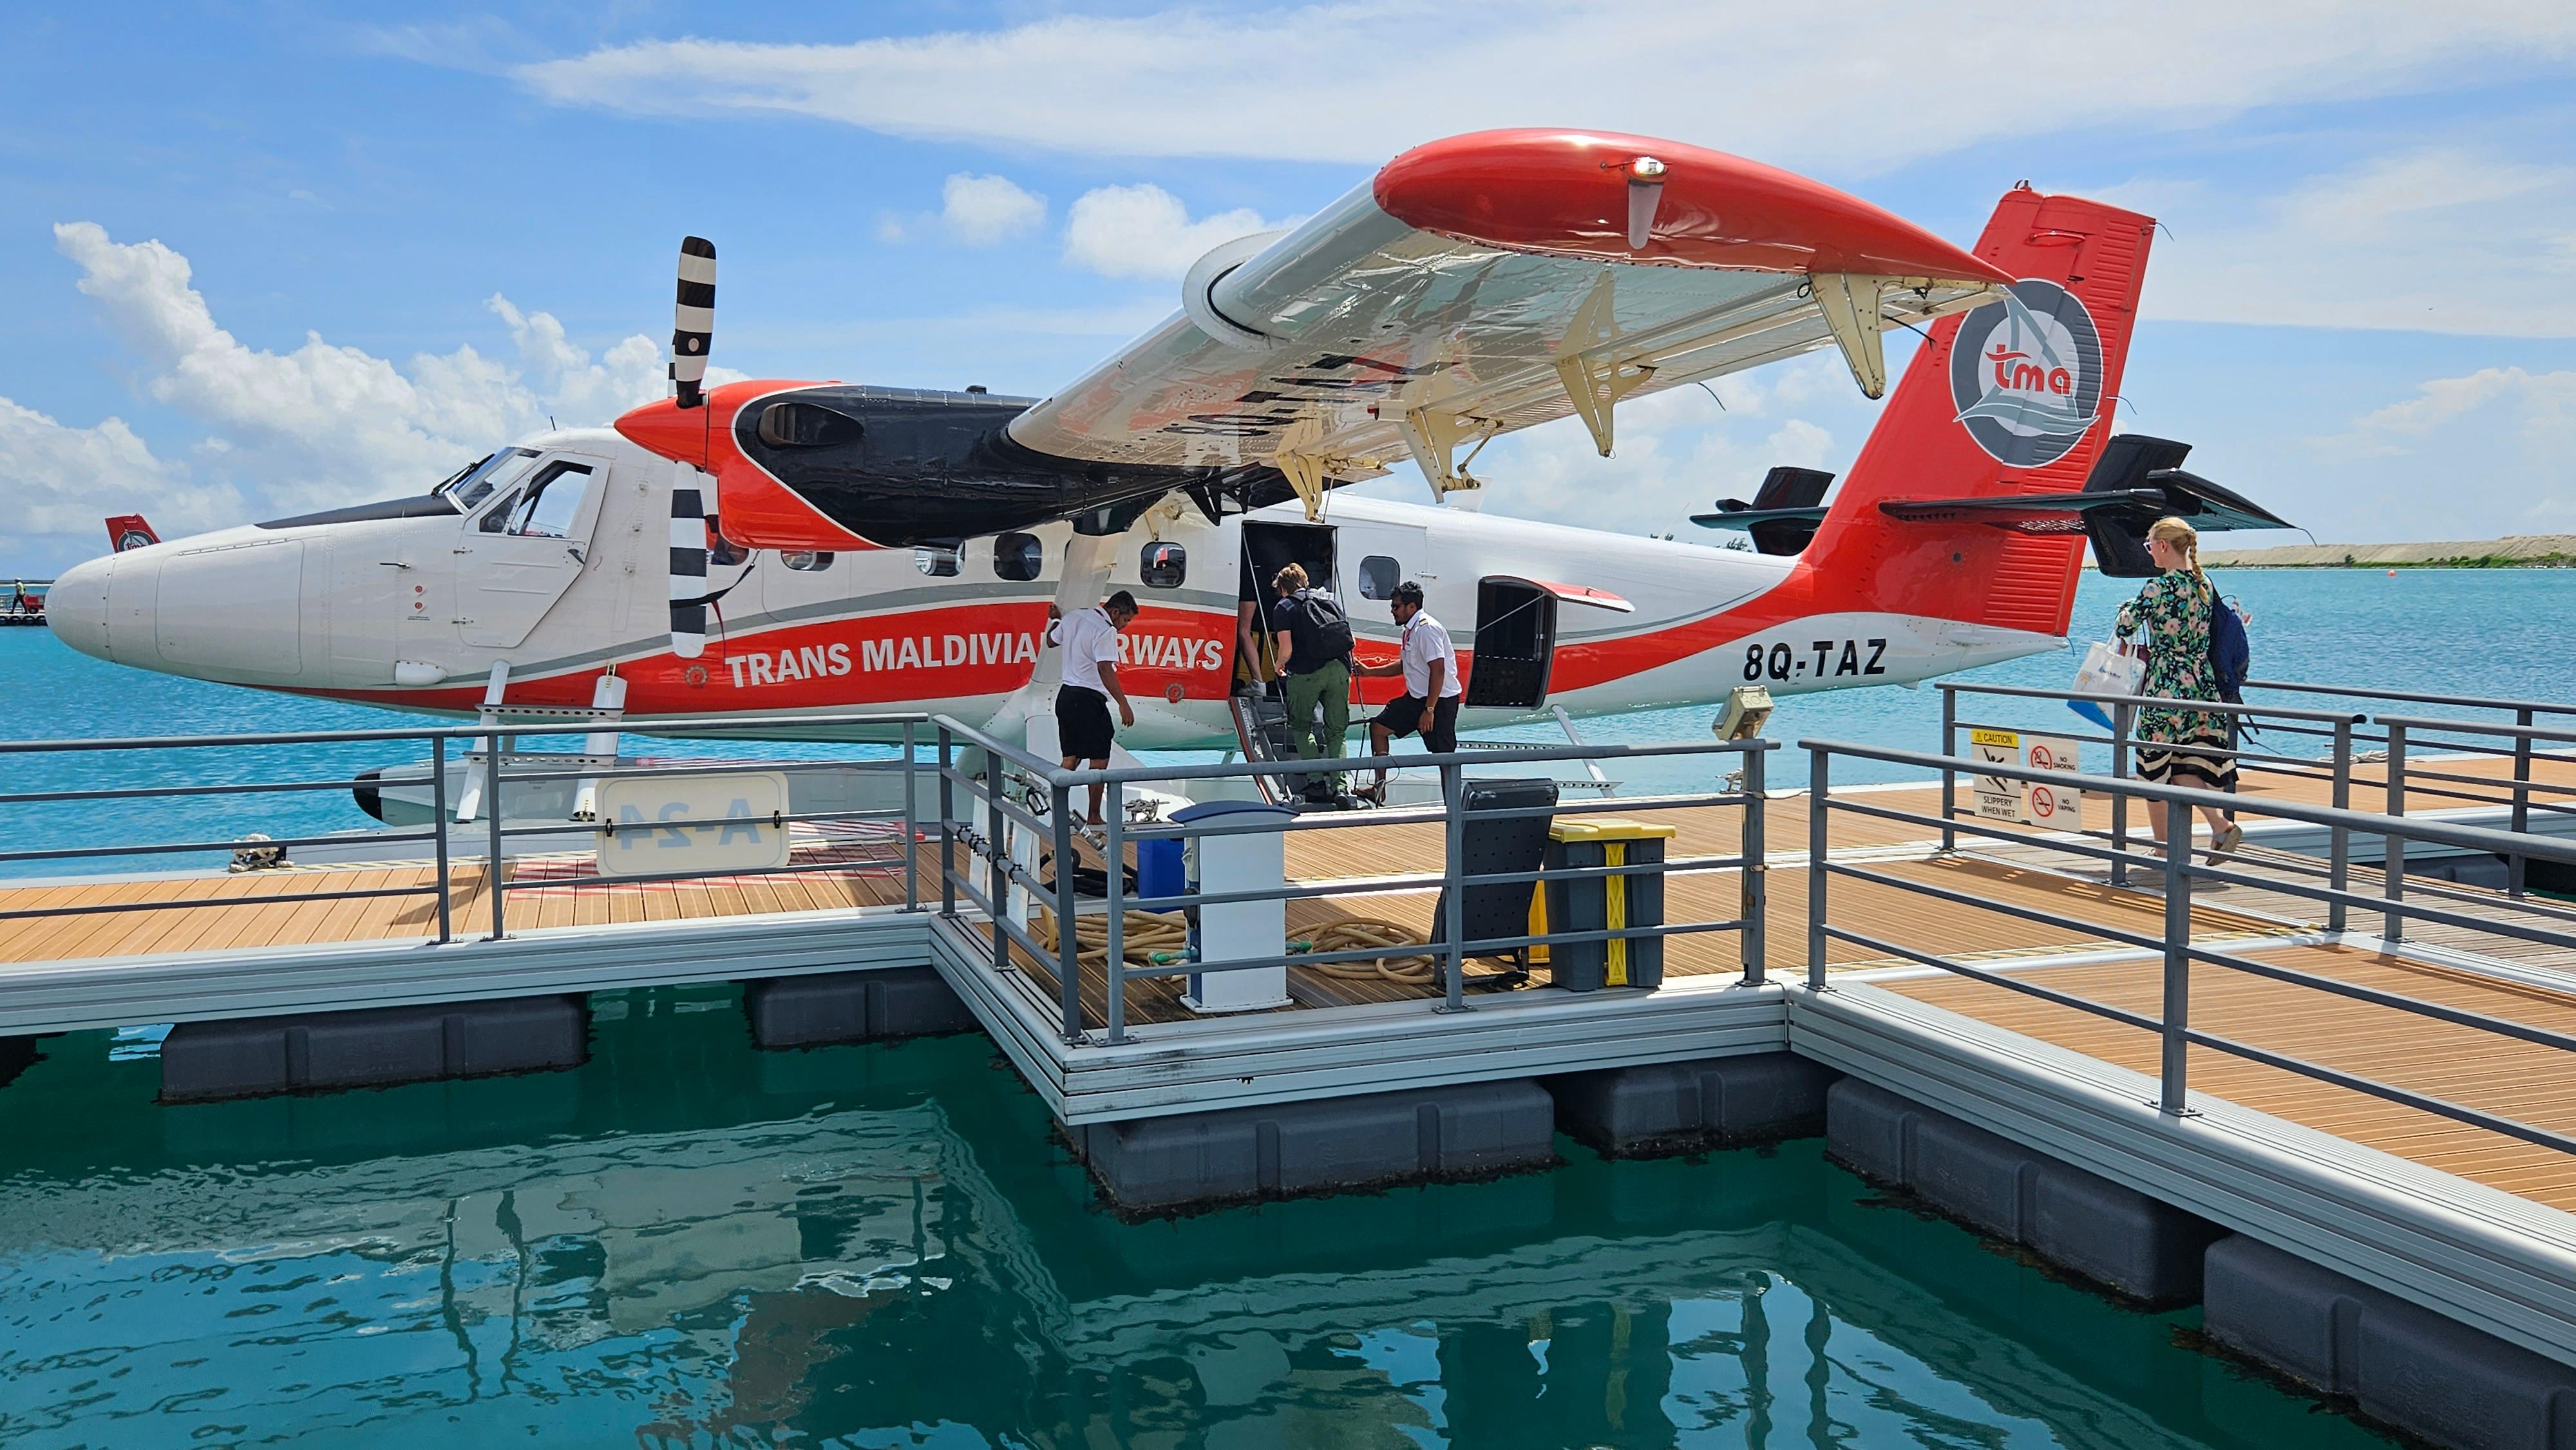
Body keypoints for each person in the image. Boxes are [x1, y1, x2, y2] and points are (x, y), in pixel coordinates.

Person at [2116, 516, 2240, 862]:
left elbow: (2125, 626)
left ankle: (2165, 846)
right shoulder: (2204, 584)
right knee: (2185, 766)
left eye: (2150, 545)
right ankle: (2219, 827)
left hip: (2166, 688)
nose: (2149, 552)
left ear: (2163, 546)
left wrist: (2125, 609)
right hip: (2201, 686)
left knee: (2152, 767)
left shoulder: (2158, 587)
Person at [1354, 580, 1462, 801]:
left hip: (1439, 701)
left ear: (1411, 607)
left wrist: (1429, 710)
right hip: (1416, 699)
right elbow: (1406, 665)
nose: (1392, 611)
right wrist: (1369, 672)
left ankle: (1453, 809)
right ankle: (1379, 789)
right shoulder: (1410, 630)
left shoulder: (1426, 629)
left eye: (1396, 606)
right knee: (1378, 728)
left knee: (1444, 757)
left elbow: (1438, 670)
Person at [1049, 590, 1139, 825]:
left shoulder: (1073, 617)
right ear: (1115, 612)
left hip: (1066, 696)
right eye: (1126, 620)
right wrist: (1123, 703)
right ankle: (1094, 816)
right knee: (1099, 761)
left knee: (1070, 759)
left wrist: (1056, 620)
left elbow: (1051, 641)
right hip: (1089, 700)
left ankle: (1057, 814)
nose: (1125, 626)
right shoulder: (1106, 630)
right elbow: (1105, 668)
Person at [1267, 563, 1353, 796]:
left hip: (1306, 674)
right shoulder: (1329, 602)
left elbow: (1286, 650)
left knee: (1302, 726)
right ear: (1305, 583)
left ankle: (1316, 782)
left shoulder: (1284, 607)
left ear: (1283, 589)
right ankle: (1340, 787)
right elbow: (1348, 638)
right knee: (1337, 731)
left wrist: (1278, 665)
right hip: (1339, 669)